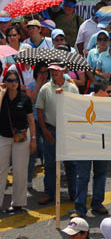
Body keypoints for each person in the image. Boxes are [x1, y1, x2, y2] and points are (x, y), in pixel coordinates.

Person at [36, 62, 78, 205]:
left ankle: (74, 192)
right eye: (52, 71)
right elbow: (39, 111)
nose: (54, 73)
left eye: (57, 71)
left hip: (68, 130)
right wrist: (45, 131)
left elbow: (77, 109)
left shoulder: (72, 88)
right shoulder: (45, 88)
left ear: (63, 71)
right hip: (51, 129)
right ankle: (49, 193)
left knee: (71, 163)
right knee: (50, 163)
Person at [74, 80, 111, 217]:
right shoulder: (82, 100)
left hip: (101, 144)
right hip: (84, 145)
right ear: (100, 91)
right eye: (108, 91)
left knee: (100, 174)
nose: (110, 94)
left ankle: (97, 203)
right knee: (83, 177)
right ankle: (79, 208)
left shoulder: (110, 104)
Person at [0, 69, 35, 213]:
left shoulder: (24, 98)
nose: (13, 83)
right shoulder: (1, 96)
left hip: (21, 137)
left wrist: (33, 138)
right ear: (5, 82)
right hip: (3, 136)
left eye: (15, 80)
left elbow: (31, 119)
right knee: (1, 170)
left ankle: (18, 203)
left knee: (20, 170)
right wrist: (1, 94)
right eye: (10, 80)